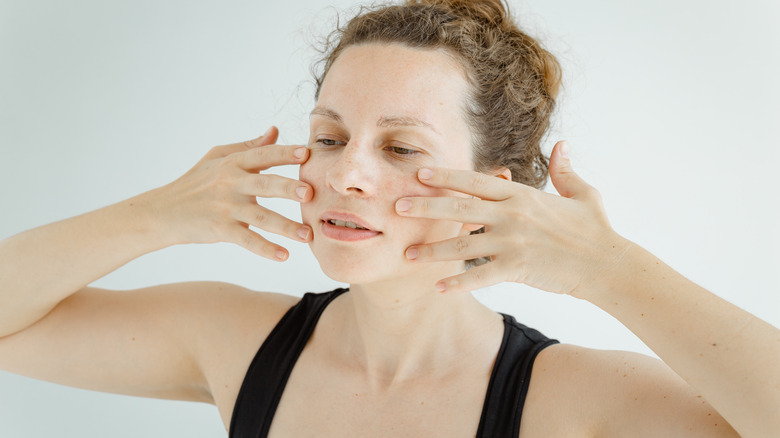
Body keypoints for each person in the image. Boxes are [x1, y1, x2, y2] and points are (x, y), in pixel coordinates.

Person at [0, 0, 778, 437]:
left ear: (491, 191)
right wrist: (156, 215)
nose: (346, 173)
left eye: (402, 147)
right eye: (330, 137)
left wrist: (607, 269)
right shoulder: (237, 344)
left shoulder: (568, 400)